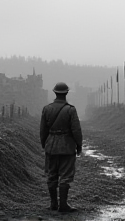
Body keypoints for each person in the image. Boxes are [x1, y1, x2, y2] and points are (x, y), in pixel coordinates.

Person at [40, 82, 82, 212]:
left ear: (55, 93)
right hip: (67, 146)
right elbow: (76, 130)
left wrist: (45, 144)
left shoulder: (47, 109)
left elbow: (43, 130)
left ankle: (53, 204)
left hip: (51, 145)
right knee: (65, 175)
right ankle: (63, 205)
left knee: (51, 174)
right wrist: (79, 145)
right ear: (66, 93)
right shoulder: (71, 109)